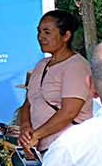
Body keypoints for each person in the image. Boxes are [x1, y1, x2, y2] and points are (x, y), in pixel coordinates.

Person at [18, 9, 92, 153]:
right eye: (39, 32)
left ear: (66, 36)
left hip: (70, 147)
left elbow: (69, 112)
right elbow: (27, 104)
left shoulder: (76, 66)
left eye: (47, 32)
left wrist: (37, 135)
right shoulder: (41, 65)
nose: (40, 37)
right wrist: (25, 127)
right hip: (43, 147)